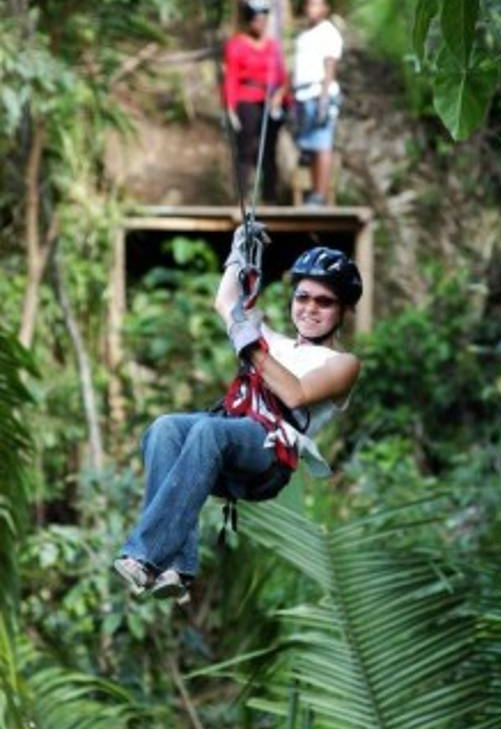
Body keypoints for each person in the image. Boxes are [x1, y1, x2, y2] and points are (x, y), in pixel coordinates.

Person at [113, 224, 362, 600]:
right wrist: (237, 255)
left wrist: (250, 344)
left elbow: (296, 394)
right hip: (229, 438)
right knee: (165, 428)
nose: (310, 308)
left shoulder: (342, 363)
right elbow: (225, 302)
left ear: (344, 310)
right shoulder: (272, 341)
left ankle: (147, 558)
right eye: (303, 297)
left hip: (270, 456)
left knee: (208, 431)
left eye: (324, 302)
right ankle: (178, 567)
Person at [223, 0, 288, 204]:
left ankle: (270, 196)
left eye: (262, 19)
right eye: (255, 19)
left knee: (269, 150)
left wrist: (279, 96)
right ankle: (242, 196)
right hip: (247, 100)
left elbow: (282, 76)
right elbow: (231, 77)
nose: (259, 24)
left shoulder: (273, 46)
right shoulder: (237, 45)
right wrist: (230, 107)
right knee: (247, 147)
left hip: (270, 101)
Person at [293, 0, 344, 206]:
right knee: (311, 146)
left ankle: (319, 194)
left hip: (319, 93)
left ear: (325, 9)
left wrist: (324, 98)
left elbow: (330, 64)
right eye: (309, 4)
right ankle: (313, 192)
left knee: (322, 143)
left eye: (317, 4)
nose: (311, 8)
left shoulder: (328, 33)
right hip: (303, 94)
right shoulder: (305, 36)